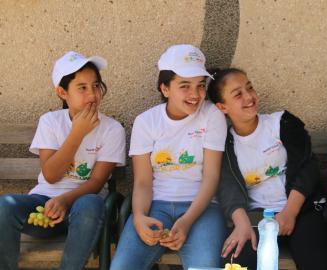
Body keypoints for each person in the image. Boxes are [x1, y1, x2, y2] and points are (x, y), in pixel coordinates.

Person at [0, 51, 126, 270]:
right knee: (4, 206)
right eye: (82, 87)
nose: (92, 94)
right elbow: (50, 174)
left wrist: (65, 201)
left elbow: (96, 182)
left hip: (85, 209)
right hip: (43, 205)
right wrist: (77, 133)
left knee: (90, 204)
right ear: (62, 92)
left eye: (96, 86)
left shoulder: (112, 129)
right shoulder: (50, 122)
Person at [110, 44, 227, 270]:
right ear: (165, 88)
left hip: (202, 208)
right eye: (184, 86)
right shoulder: (146, 122)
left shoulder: (212, 115)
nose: (195, 94)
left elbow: (211, 177)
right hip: (156, 206)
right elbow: (143, 182)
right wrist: (139, 217)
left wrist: (186, 221)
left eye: (200, 86)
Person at [208, 68, 327, 270]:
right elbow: (227, 188)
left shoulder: (282, 122)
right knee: (233, 260)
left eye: (250, 88)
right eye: (238, 94)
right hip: (258, 217)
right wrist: (241, 224)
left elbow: (307, 168)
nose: (249, 97)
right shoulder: (224, 144)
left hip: (301, 211)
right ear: (222, 107)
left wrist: (289, 213)